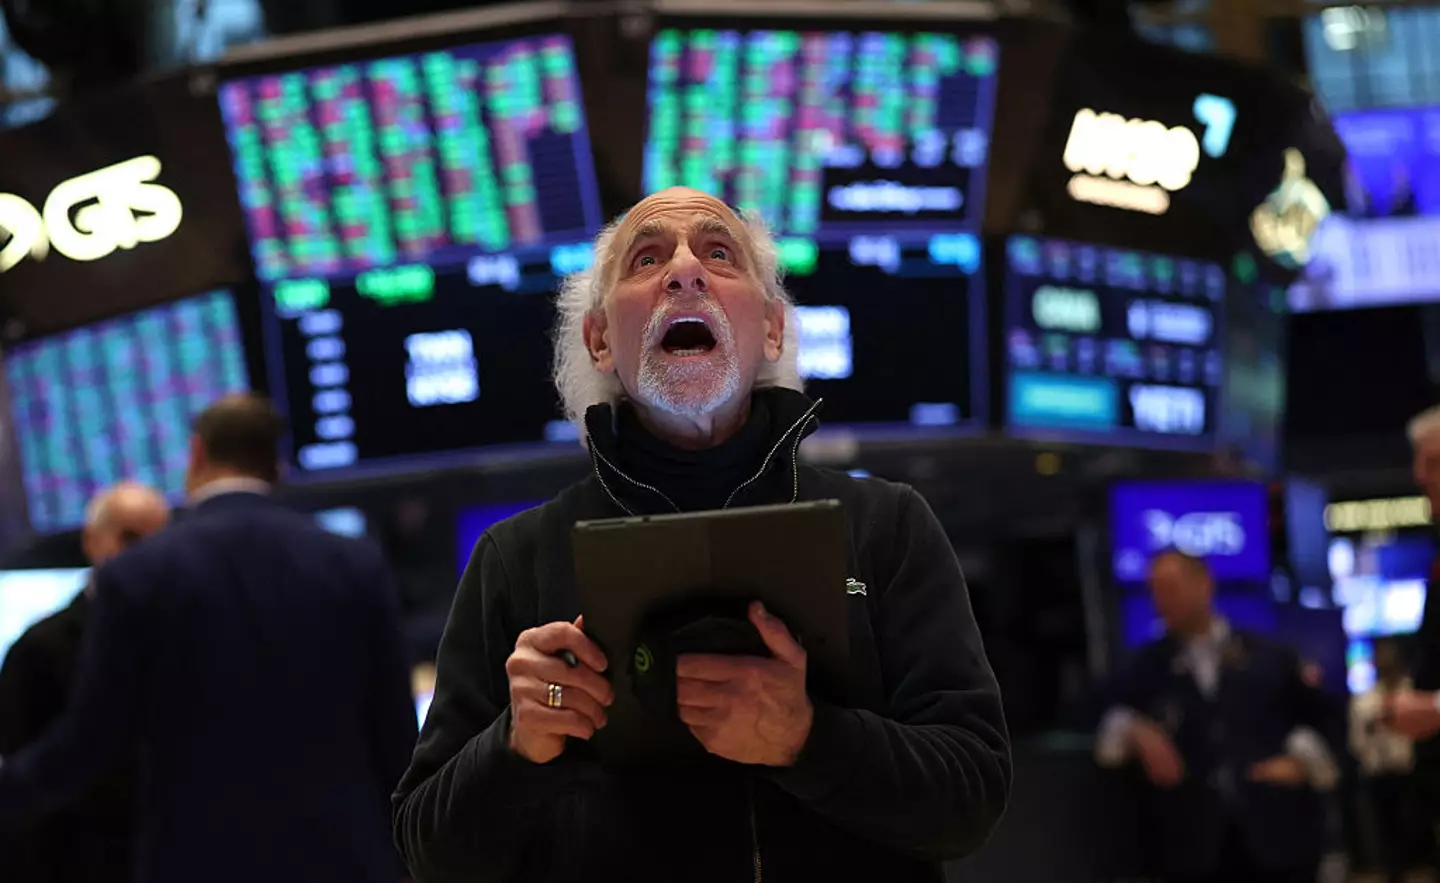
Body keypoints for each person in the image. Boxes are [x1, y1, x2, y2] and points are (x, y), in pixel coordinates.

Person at [392, 187, 1011, 883]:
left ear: (772, 330)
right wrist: (513, 745)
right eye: (647, 258)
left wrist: (810, 739)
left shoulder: (889, 527)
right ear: (599, 339)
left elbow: (973, 798)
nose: (684, 271)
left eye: (719, 253)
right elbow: (428, 851)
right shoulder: (515, 558)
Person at [0, 394, 418, 883]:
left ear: (196, 454)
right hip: (344, 859)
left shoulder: (138, 575)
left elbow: (90, 742)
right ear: (276, 466)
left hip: (196, 861)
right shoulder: (356, 565)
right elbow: (396, 735)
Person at [1095, 549, 1339, 883]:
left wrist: (1302, 763)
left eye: (1171, 588)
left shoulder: (1269, 656)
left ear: (1204, 585)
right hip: (1190, 848)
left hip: (1280, 838)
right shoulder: (1145, 667)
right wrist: (1134, 728)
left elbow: (1329, 720)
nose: (1162, 601)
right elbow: (1092, 713)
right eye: (1155, 591)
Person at [0, 483, 170, 883]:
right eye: (129, 537)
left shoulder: (189, 638)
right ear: (92, 541)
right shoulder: (40, 649)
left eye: (157, 539)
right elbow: (20, 795)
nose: (143, 553)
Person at [1351, 638, 1424, 882]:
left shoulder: (1415, 693)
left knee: (1412, 827)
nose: (1385, 660)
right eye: (1380, 655)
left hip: (1411, 773)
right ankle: (1393, 873)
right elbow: (1357, 741)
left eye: (1389, 654)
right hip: (1378, 774)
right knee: (1384, 829)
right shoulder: (1364, 700)